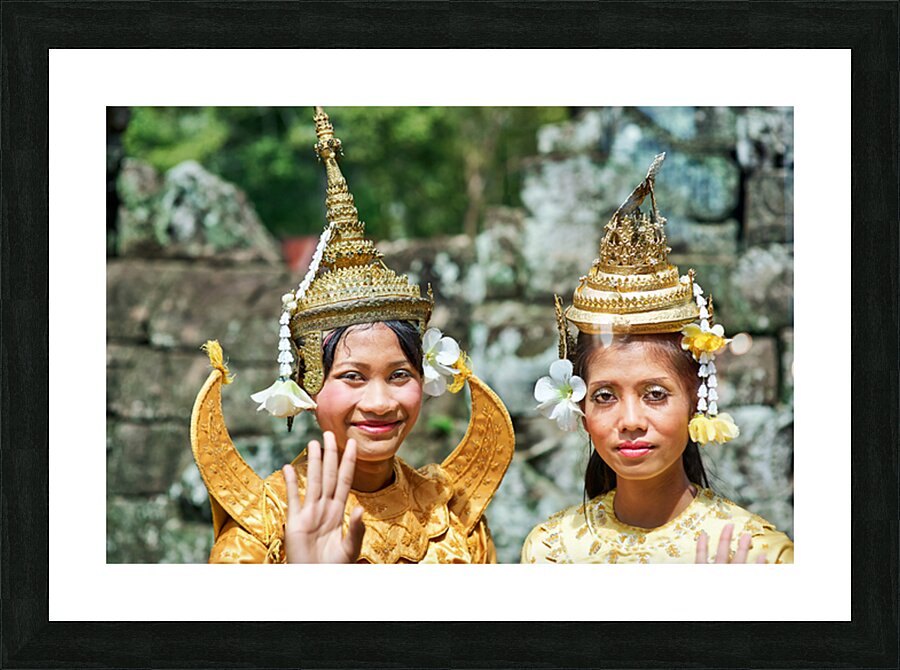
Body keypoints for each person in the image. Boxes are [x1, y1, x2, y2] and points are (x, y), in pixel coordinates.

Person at [190, 108, 514, 563]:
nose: (381, 402)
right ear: (308, 382)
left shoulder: (452, 519)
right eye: (353, 377)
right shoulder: (261, 530)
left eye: (400, 374)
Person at [521, 153, 793, 564]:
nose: (630, 420)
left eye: (655, 394)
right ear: (579, 406)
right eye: (605, 396)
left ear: (696, 396)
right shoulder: (550, 551)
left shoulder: (756, 555)